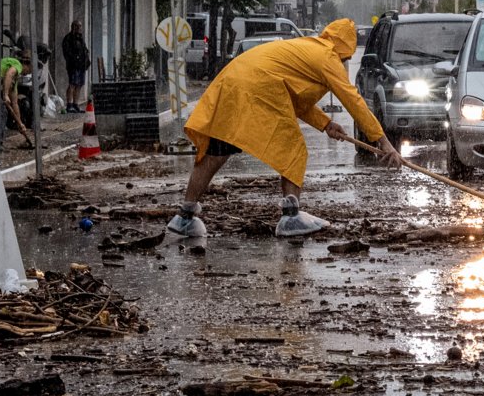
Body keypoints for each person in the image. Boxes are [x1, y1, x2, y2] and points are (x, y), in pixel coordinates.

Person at [169, 18, 400, 240]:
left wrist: (326, 124)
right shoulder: (327, 57)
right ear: (344, 50)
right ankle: (291, 216)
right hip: (255, 88)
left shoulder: (309, 49)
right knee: (292, 147)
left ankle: (185, 216)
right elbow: (354, 101)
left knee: (215, 153)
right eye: (347, 57)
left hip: (233, 83)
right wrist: (383, 142)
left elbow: (295, 99)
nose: (345, 62)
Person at [60, 20, 91, 113]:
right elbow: (67, 52)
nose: (79, 28)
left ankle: (75, 104)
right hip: (73, 66)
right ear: (73, 27)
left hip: (81, 65)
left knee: (79, 85)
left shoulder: (80, 38)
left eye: (80, 26)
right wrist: (74, 60)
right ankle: (69, 104)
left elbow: (84, 49)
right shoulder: (69, 38)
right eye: (77, 26)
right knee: (72, 84)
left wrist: (86, 60)